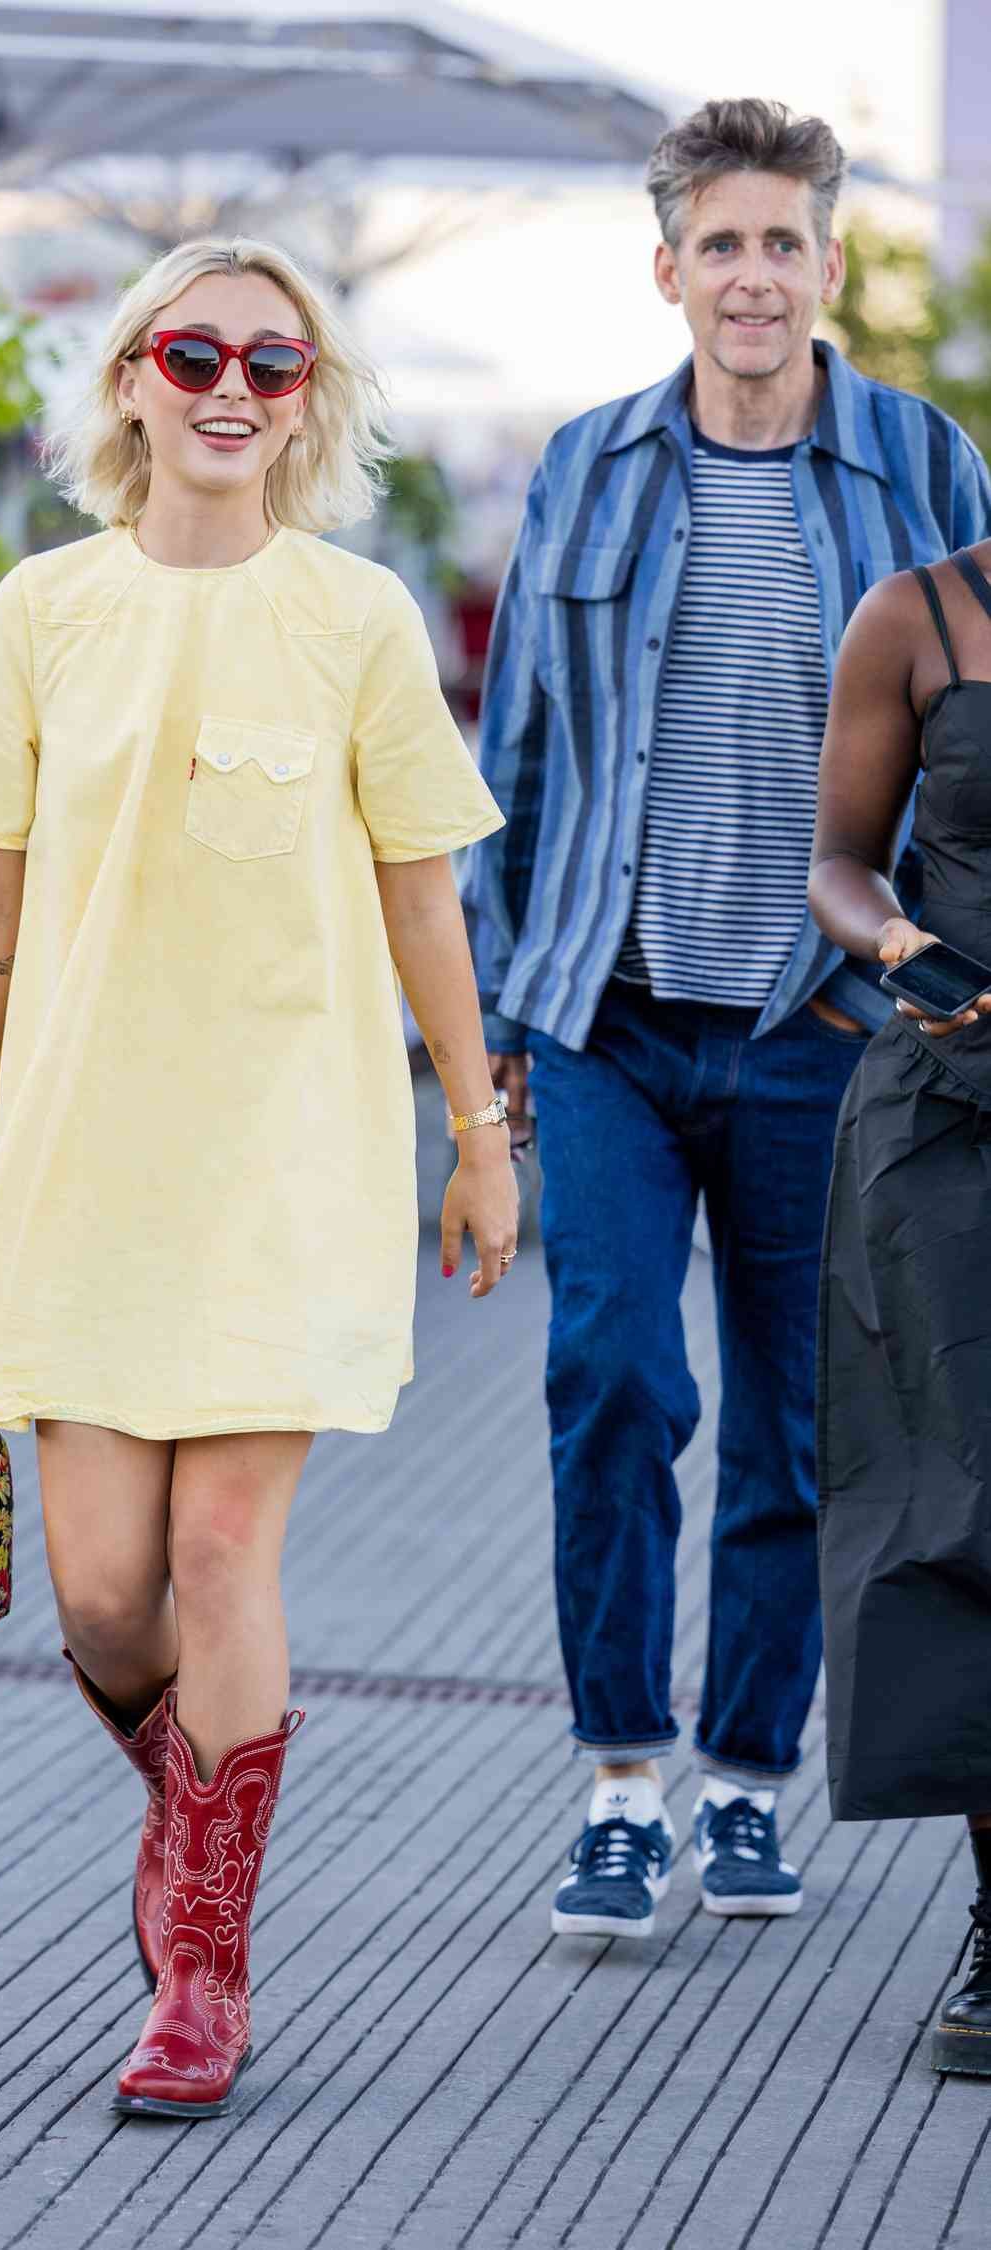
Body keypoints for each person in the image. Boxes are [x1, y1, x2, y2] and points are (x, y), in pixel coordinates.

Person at [0, 237, 516, 2116]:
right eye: (195, 351)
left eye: (273, 356)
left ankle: (202, 1958)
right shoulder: (42, 610)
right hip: (83, 1165)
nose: (232, 383)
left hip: (288, 1158)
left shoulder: (358, 618)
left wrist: (476, 1126)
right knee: (101, 1597)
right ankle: (197, 1827)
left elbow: (424, 883)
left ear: (309, 392)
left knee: (222, 1550)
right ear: (133, 383)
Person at [465, 97, 991, 1943]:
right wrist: (489, 1024)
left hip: (828, 1022)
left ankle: (751, 1780)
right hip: (608, 1012)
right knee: (611, 1379)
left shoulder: (926, 464)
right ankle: (622, 1777)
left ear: (830, 267)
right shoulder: (589, 468)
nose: (752, 274)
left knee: (788, 1415)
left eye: (786, 242)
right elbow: (513, 752)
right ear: (668, 265)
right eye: (722, 242)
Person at [809, 547, 991, 2076]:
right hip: (953, 1117)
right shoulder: (917, 616)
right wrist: (899, 944)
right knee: (966, 1507)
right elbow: (839, 865)